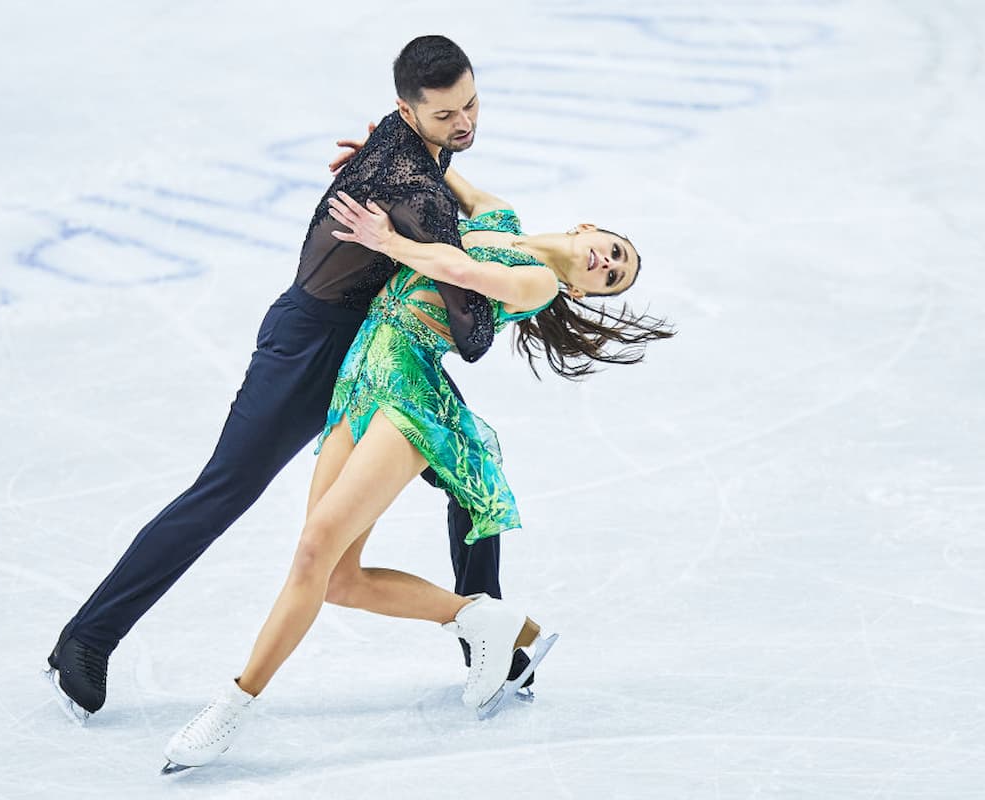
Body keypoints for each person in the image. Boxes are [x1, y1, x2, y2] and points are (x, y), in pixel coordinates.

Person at [44, 35, 537, 724]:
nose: (464, 124)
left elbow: (423, 182)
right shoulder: (415, 190)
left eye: (473, 104)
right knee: (225, 491)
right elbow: (475, 338)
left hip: (381, 346)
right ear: (406, 109)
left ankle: (491, 642)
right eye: (446, 116)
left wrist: (437, 196)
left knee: (469, 471)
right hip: (310, 348)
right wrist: (510, 276)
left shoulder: (412, 147)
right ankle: (86, 638)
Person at [160, 160, 674, 772]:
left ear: (588, 293)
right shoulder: (502, 219)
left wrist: (387, 241)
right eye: (613, 250)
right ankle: (483, 617)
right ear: (589, 228)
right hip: (359, 380)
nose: (607, 263)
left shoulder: (537, 283)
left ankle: (232, 706)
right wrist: (393, 149)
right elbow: (463, 186)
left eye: (614, 277)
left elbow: (456, 267)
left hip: (409, 395)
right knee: (337, 579)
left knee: (312, 551)